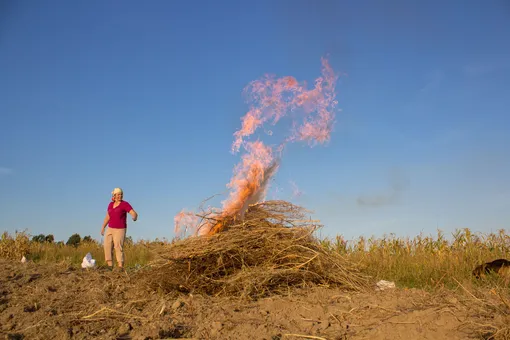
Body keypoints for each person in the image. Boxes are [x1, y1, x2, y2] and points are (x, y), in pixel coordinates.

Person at [101, 187, 138, 270]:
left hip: (120, 229)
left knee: (118, 246)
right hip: (110, 228)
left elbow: (133, 213)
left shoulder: (125, 204)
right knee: (107, 245)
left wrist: (134, 217)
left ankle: (120, 266)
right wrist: (103, 226)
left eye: (121, 194)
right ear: (114, 195)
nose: (119, 196)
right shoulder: (110, 205)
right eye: (117, 194)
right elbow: (107, 217)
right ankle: (110, 265)